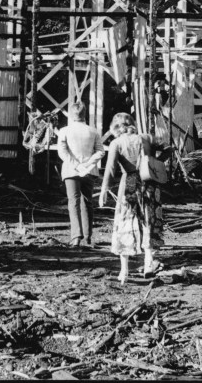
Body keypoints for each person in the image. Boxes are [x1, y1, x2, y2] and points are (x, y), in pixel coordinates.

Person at [98, 112, 162, 284]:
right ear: (132, 123)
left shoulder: (116, 143)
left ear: (115, 127)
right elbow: (154, 159)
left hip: (129, 183)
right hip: (148, 183)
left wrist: (104, 190)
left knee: (126, 223)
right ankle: (149, 264)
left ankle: (124, 272)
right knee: (148, 221)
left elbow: (110, 169)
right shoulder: (145, 138)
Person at [57, 101, 105, 248]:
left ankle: (76, 236)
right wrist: (88, 163)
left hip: (71, 171)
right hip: (89, 170)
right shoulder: (93, 131)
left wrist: (76, 165)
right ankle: (88, 237)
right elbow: (101, 151)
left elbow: (62, 152)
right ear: (85, 115)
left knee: (74, 202)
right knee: (87, 202)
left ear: (71, 115)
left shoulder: (64, 131)